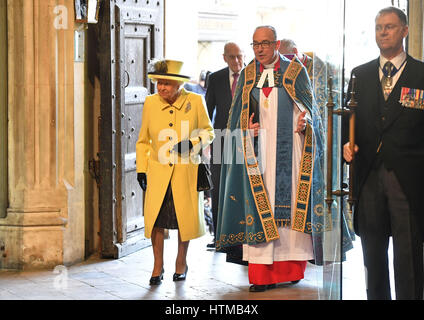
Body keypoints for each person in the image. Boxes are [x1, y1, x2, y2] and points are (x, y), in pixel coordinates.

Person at [216, 26, 325, 292]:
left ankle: (292, 269)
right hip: (258, 152)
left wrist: (306, 121)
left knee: (287, 214)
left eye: (265, 43)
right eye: (255, 44)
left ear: (276, 44)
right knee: (260, 208)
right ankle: (262, 275)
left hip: (292, 151)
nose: (260, 49)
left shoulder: (294, 71)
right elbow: (235, 118)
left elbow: (312, 111)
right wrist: (245, 129)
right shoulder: (247, 74)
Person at [343, 7, 424, 300]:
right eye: (379, 27)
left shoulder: (421, 74)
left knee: (408, 256)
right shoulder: (359, 74)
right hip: (369, 177)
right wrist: (345, 145)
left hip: (408, 179)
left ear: (404, 31)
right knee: (372, 254)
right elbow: (347, 122)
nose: (383, 32)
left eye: (389, 27)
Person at [136, 59, 215, 285]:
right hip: (158, 172)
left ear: (179, 85)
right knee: (156, 221)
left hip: (185, 172)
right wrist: (142, 170)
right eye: (159, 83)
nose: (161, 87)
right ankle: (157, 265)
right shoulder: (150, 103)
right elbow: (143, 141)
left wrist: (192, 142)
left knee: (184, 220)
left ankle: (181, 261)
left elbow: (209, 132)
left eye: (167, 83)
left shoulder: (196, 101)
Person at [205, 42, 244, 249]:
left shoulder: (252, 76)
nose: (237, 61)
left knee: (244, 185)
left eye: (239, 56)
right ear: (224, 58)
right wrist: (205, 139)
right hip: (220, 138)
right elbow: (207, 110)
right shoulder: (216, 78)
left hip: (246, 139)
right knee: (218, 185)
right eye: (232, 57)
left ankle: (243, 233)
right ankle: (219, 235)